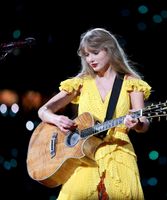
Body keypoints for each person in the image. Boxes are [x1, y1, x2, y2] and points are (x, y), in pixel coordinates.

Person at [38, 27, 151, 200]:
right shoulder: (81, 83)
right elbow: (43, 111)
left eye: (95, 52)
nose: (90, 59)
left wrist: (138, 124)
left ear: (109, 49)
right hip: (83, 156)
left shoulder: (131, 83)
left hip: (118, 153)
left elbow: (143, 122)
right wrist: (57, 119)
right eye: (86, 55)